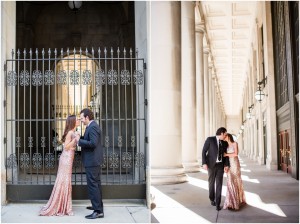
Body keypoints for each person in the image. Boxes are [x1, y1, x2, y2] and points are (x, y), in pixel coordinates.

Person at [39, 115, 80, 216]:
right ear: (73, 122)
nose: (78, 120)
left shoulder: (72, 132)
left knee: (65, 181)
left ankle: (63, 205)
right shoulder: (70, 132)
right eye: (77, 119)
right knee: (64, 181)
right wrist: (76, 139)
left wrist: (77, 137)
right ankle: (62, 206)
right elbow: (66, 146)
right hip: (66, 159)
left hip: (68, 158)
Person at [75, 108, 104, 219]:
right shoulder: (90, 126)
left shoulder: (93, 127)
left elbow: (93, 143)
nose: (81, 120)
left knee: (93, 185)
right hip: (93, 161)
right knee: (96, 185)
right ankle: (97, 206)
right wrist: (81, 137)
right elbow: (89, 139)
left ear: (87, 117)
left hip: (92, 161)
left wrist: (79, 141)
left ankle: (98, 211)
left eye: (82, 118)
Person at [202, 127, 230, 211]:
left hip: (220, 166)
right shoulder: (210, 139)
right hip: (211, 165)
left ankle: (218, 203)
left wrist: (226, 165)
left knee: (219, 184)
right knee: (211, 183)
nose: (225, 136)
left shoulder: (224, 143)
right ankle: (212, 198)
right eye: (224, 134)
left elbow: (226, 155)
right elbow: (204, 151)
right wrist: (204, 163)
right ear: (221, 133)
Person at [223, 133, 246, 210]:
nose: (224, 137)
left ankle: (237, 201)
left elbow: (236, 154)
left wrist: (226, 154)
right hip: (229, 165)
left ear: (228, 136)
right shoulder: (225, 145)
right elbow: (224, 157)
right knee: (230, 182)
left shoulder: (235, 143)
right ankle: (231, 202)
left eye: (225, 136)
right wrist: (225, 166)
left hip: (235, 164)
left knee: (236, 181)